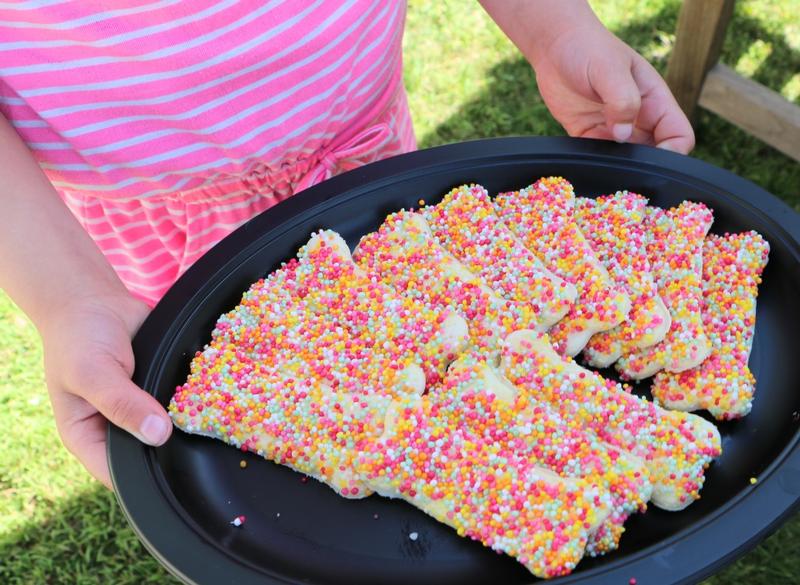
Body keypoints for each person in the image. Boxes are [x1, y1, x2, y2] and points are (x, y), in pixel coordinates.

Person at [0, 0, 694, 489]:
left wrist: (553, 27)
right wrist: (70, 295)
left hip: (363, 159)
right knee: (256, 426)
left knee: (445, 344)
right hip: (171, 231)